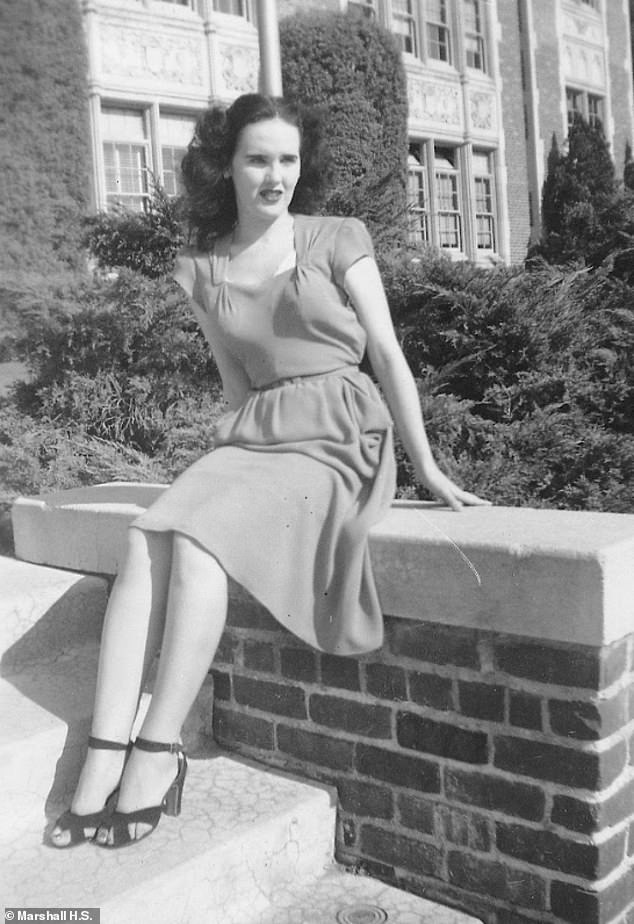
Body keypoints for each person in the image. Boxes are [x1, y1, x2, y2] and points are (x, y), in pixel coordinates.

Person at [51, 93, 488, 850]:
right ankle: (104, 751)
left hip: (339, 434)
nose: (274, 175)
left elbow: (387, 354)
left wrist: (427, 465)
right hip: (258, 436)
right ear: (225, 166)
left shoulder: (336, 238)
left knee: (198, 546)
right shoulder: (202, 268)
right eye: (257, 159)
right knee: (145, 537)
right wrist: (229, 466)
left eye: (287, 159)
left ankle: (157, 749)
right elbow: (236, 385)